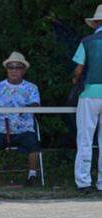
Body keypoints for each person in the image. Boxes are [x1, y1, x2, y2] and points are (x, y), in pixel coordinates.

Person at [0, 52, 41, 187]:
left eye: (18, 67)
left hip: (25, 128)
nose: (14, 70)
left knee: (34, 146)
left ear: (23, 70)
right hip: (2, 128)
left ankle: (32, 177)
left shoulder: (31, 88)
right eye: (10, 67)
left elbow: (36, 106)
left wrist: (24, 107)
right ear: (7, 70)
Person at [72, 5, 102, 192]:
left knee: (85, 138)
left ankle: (83, 182)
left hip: (90, 95)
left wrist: (75, 80)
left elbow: (78, 70)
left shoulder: (87, 41)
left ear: (95, 23)